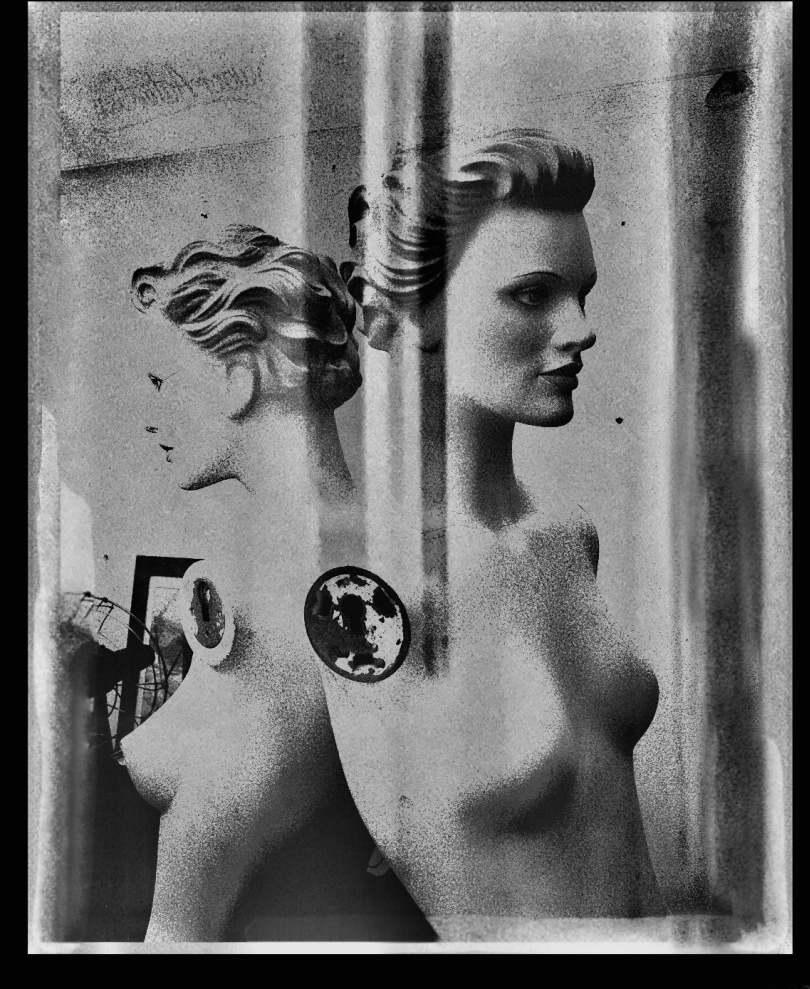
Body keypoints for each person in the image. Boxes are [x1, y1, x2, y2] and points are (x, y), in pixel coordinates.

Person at [316, 130, 667, 938]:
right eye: (532, 295)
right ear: (387, 315)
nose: (580, 330)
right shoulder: (353, 583)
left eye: (581, 294)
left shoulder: (566, 540)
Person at [120, 224, 433, 942]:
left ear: (239, 378)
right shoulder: (374, 555)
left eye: (160, 382)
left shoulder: (292, 588)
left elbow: (190, 894)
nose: (148, 416)